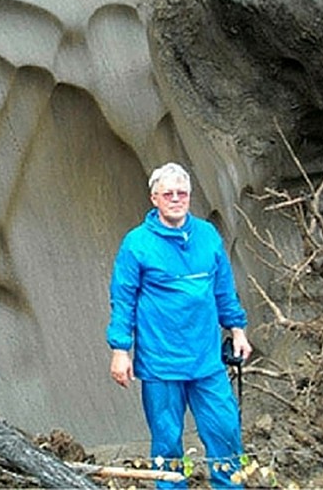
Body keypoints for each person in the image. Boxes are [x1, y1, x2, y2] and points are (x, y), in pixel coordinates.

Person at [106, 162, 252, 489]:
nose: (176, 198)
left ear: (189, 196)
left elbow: (224, 290)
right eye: (168, 193)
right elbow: (123, 298)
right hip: (161, 363)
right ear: (154, 198)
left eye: (182, 193)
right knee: (167, 441)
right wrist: (120, 350)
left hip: (206, 360)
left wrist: (237, 329)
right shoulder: (137, 244)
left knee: (225, 431)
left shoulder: (208, 236)